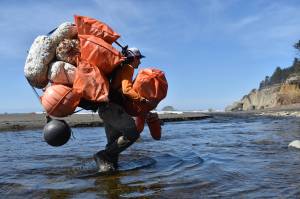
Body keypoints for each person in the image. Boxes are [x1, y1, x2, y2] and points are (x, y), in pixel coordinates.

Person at [93, 47, 151, 172]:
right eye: (139, 59)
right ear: (134, 58)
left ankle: (110, 172)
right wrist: (141, 99)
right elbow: (126, 89)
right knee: (132, 132)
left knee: (113, 142)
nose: (140, 62)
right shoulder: (127, 68)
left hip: (105, 108)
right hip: (112, 108)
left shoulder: (118, 68)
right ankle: (103, 155)